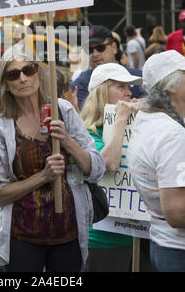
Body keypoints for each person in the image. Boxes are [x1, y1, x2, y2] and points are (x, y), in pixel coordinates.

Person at [0, 44, 105, 272]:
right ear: (5, 84)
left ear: (39, 72)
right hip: (22, 237)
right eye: (13, 74)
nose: (23, 78)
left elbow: (95, 169)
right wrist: (43, 176)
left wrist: (67, 140)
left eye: (29, 69)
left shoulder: (63, 111)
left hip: (69, 232)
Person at [80, 63, 141, 271]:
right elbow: (108, 164)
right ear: (101, 92)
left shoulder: (135, 123)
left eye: (129, 87)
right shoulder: (87, 132)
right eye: (121, 87)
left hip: (135, 234)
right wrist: (121, 119)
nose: (128, 92)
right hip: (101, 239)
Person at [129, 50, 185, 272]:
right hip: (179, 250)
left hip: (164, 244)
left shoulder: (149, 120)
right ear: (171, 86)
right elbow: (177, 212)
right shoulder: (171, 135)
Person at [71, 25, 145, 110]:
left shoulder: (139, 77)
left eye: (100, 48)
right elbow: (88, 116)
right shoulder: (80, 84)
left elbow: (157, 104)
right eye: (89, 50)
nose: (95, 54)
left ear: (114, 47)